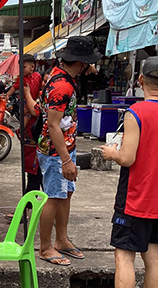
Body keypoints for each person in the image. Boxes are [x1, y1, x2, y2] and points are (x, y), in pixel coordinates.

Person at [101, 57, 158, 288]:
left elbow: (128, 158)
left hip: (136, 198)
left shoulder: (136, 113)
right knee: (152, 256)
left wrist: (112, 153)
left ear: (140, 80)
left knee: (124, 256)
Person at [37, 36, 101, 266]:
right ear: (81, 62)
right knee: (54, 197)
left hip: (65, 147)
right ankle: (46, 247)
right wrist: (65, 160)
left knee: (65, 193)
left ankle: (61, 240)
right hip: (57, 152)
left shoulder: (61, 77)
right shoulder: (61, 85)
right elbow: (54, 125)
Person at [4, 54, 43, 128]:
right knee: (26, 115)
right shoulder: (21, 78)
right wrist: (8, 95)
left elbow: (39, 88)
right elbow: (14, 87)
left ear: (32, 67)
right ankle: (22, 130)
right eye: (20, 67)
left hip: (35, 101)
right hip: (24, 101)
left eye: (24, 67)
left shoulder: (38, 76)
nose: (21, 69)